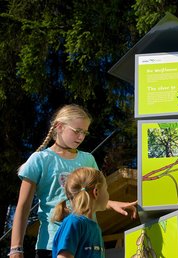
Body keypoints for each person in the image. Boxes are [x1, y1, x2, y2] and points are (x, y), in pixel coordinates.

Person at [9, 104, 138, 258]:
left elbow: (92, 195)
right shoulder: (40, 160)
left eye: (84, 132)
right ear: (59, 127)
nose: (81, 137)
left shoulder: (88, 159)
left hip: (88, 244)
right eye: (77, 131)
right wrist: (16, 248)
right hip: (52, 245)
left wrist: (112, 203)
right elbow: (23, 206)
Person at [52, 167, 109, 258]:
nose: (108, 194)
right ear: (96, 192)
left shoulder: (94, 227)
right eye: (106, 189)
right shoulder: (74, 222)